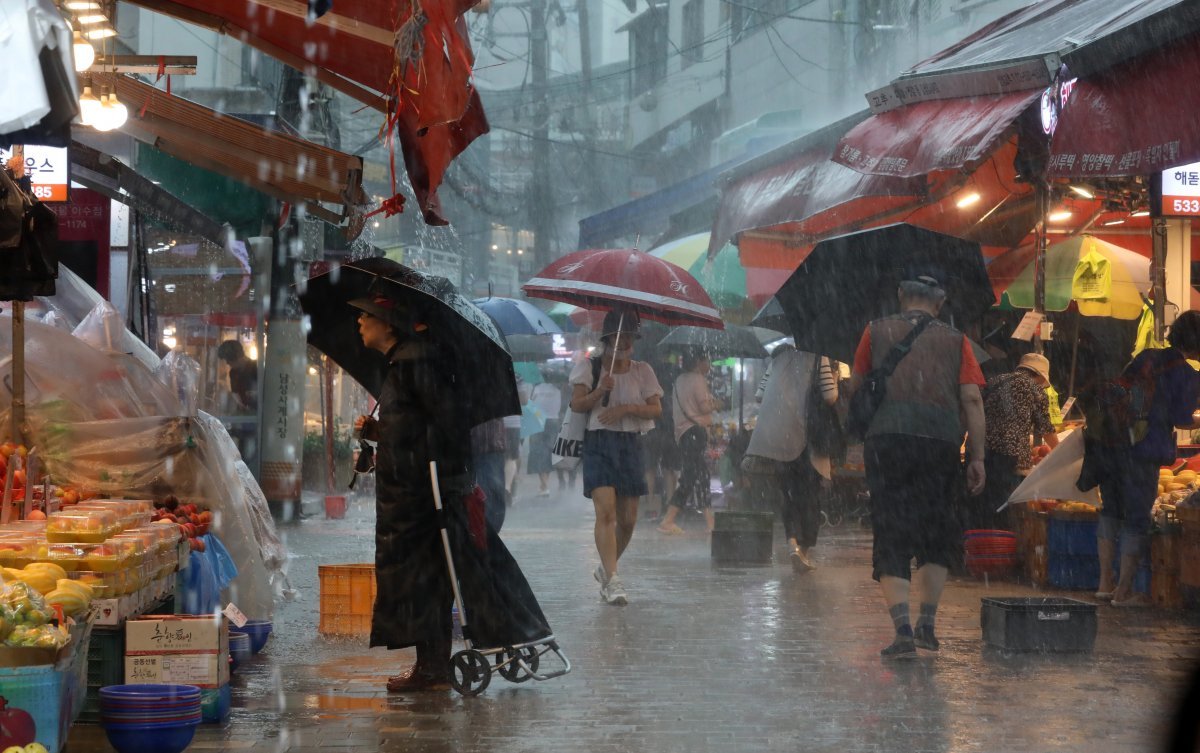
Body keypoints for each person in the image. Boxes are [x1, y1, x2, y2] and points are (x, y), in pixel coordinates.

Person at [849, 274, 987, 658]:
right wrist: (977, 457)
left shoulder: (874, 332)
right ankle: (928, 624)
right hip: (940, 445)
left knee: (891, 530)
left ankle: (903, 631)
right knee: (937, 533)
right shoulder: (957, 340)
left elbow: (856, 387)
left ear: (900, 296)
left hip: (887, 444)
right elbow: (973, 400)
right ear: (940, 304)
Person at [351, 293, 476, 692]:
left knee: (422, 580)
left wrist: (391, 437)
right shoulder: (401, 364)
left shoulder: (416, 364)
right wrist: (377, 431)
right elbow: (409, 426)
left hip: (419, 497)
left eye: (366, 315)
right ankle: (429, 665)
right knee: (416, 580)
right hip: (404, 494)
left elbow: (442, 426)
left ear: (388, 322)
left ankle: (433, 667)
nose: (359, 322)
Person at [1081, 311, 1200, 607]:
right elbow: (1183, 419)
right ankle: (1123, 593)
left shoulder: (1146, 356)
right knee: (1136, 518)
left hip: (1113, 444)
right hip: (1143, 451)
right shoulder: (1186, 374)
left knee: (1110, 511)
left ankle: (1104, 583)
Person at [570, 308, 662, 606]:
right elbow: (577, 405)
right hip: (599, 442)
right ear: (607, 337)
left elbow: (656, 409)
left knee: (628, 520)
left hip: (630, 444)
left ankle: (606, 569)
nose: (623, 342)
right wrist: (600, 391)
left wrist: (626, 409)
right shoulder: (590, 367)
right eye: (618, 336)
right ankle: (613, 579)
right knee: (606, 513)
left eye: (629, 337)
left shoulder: (642, 370)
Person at [743, 346, 838, 571]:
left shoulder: (777, 356)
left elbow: (759, 395)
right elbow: (830, 396)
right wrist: (833, 378)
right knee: (809, 496)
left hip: (782, 438)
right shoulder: (818, 355)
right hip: (808, 439)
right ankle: (803, 551)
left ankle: (792, 544)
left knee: (788, 494)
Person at [976, 353, 1059, 529]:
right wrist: (1060, 451)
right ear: (1039, 375)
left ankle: (985, 539)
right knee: (1007, 504)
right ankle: (1004, 541)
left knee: (986, 502)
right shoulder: (1035, 389)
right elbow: (1045, 429)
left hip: (982, 450)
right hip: (1009, 454)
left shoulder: (995, 381)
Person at [658, 351, 720, 534]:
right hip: (695, 432)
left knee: (698, 476)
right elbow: (704, 407)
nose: (709, 364)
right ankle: (669, 520)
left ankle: (709, 523)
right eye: (707, 360)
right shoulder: (698, 379)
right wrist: (717, 404)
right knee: (694, 476)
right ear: (699, 362)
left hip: (684, 434)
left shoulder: (679, 380)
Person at [526, 373, 564, 497]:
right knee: (548, 452)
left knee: (537, 451)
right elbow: (561, 407)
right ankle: (545, 484)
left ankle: (544, 485)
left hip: (538, 421)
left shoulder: (536, 388)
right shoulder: (558, 390)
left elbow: (530, 405)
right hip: (553, 422)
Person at [470, 418, 507, 532]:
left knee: (494, 493)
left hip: (492, 446)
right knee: (486, 492)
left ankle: (489, 532)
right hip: (474, 445)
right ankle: (482, 532)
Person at [217, 340, 257, 413]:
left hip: (257, 415)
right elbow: (236, 395)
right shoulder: (233, 373)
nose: (227, 363)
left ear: (238, 356)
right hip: (243, 414)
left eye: (229, 359)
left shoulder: (256, 368)